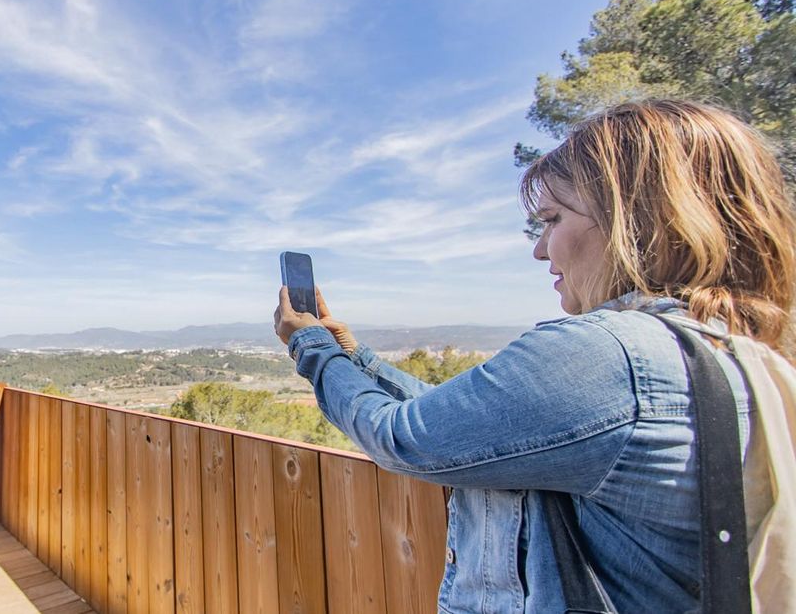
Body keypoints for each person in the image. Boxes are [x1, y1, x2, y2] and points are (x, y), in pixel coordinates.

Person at [274, 99, 796, 612]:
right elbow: (469, 425)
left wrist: (311, 347)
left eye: (552, 219)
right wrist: (355, 356)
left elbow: (403, 439)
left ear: (635, 220)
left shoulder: (610, 354)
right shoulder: (723, 351)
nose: (540, 249)